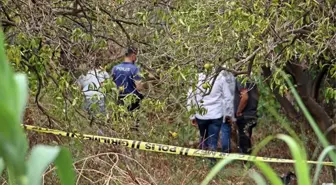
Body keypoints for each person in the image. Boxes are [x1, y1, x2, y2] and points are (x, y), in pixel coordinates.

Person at [187, 69, 234, 153]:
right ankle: (211, 162)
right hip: (216, 115)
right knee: (213, 140)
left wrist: (192, 116)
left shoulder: (196, 78)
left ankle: (203, 158)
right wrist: (228, 114)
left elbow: (190, 97)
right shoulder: (220, 78)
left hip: (200, 115)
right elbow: (228, 98)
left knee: (203, 137)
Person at [111, 47, 144, 127]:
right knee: (133, 124)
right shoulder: (135, 69)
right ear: (133, 56)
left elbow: (111, 84)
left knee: (119, 123)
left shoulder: (115, 68)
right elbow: (139, 87)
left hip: (119, 98)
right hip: (132, 99)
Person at [234, 77, 259, 154]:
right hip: (252, 114)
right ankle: (247, 160)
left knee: (243, 139)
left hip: (244, 115)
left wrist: (238, 111)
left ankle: (246, 162)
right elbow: (258, 93)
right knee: (247, 138)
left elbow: (245, 97)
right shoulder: (252, 79)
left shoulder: (240, 79)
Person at [220, 70, 235, 153]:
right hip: (225, 110)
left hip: (216, 110)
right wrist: (229, 114)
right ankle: (226, 153)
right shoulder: (231, 78)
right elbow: (229, 98)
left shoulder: (217, 79)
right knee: (225, 131)